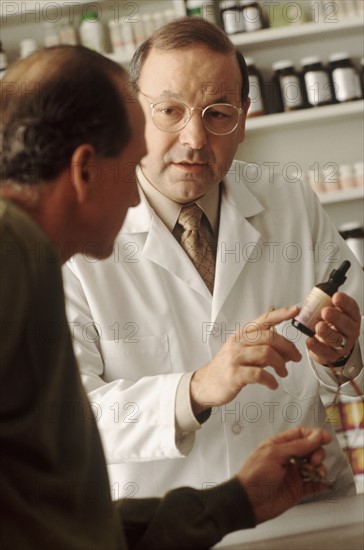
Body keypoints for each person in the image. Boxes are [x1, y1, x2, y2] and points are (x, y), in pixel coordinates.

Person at [0, 44, 333, 550]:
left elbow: (64, 514)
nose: (138, 196)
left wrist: (234, 502)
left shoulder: (29, 256)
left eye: (218, 113)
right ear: (85, 169)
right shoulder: (15, 261)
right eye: (133, 162)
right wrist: (195, 389)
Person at [62, 17, 363, 502]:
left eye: (218, 113)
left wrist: (343, 353)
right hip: (165, 522)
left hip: (307, 504)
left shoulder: (289, 202)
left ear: (244, 116)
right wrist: (196, 389)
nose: (195, 138)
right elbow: (65, 419)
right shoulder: (75, 233)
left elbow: (357, 346)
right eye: (170, 111)